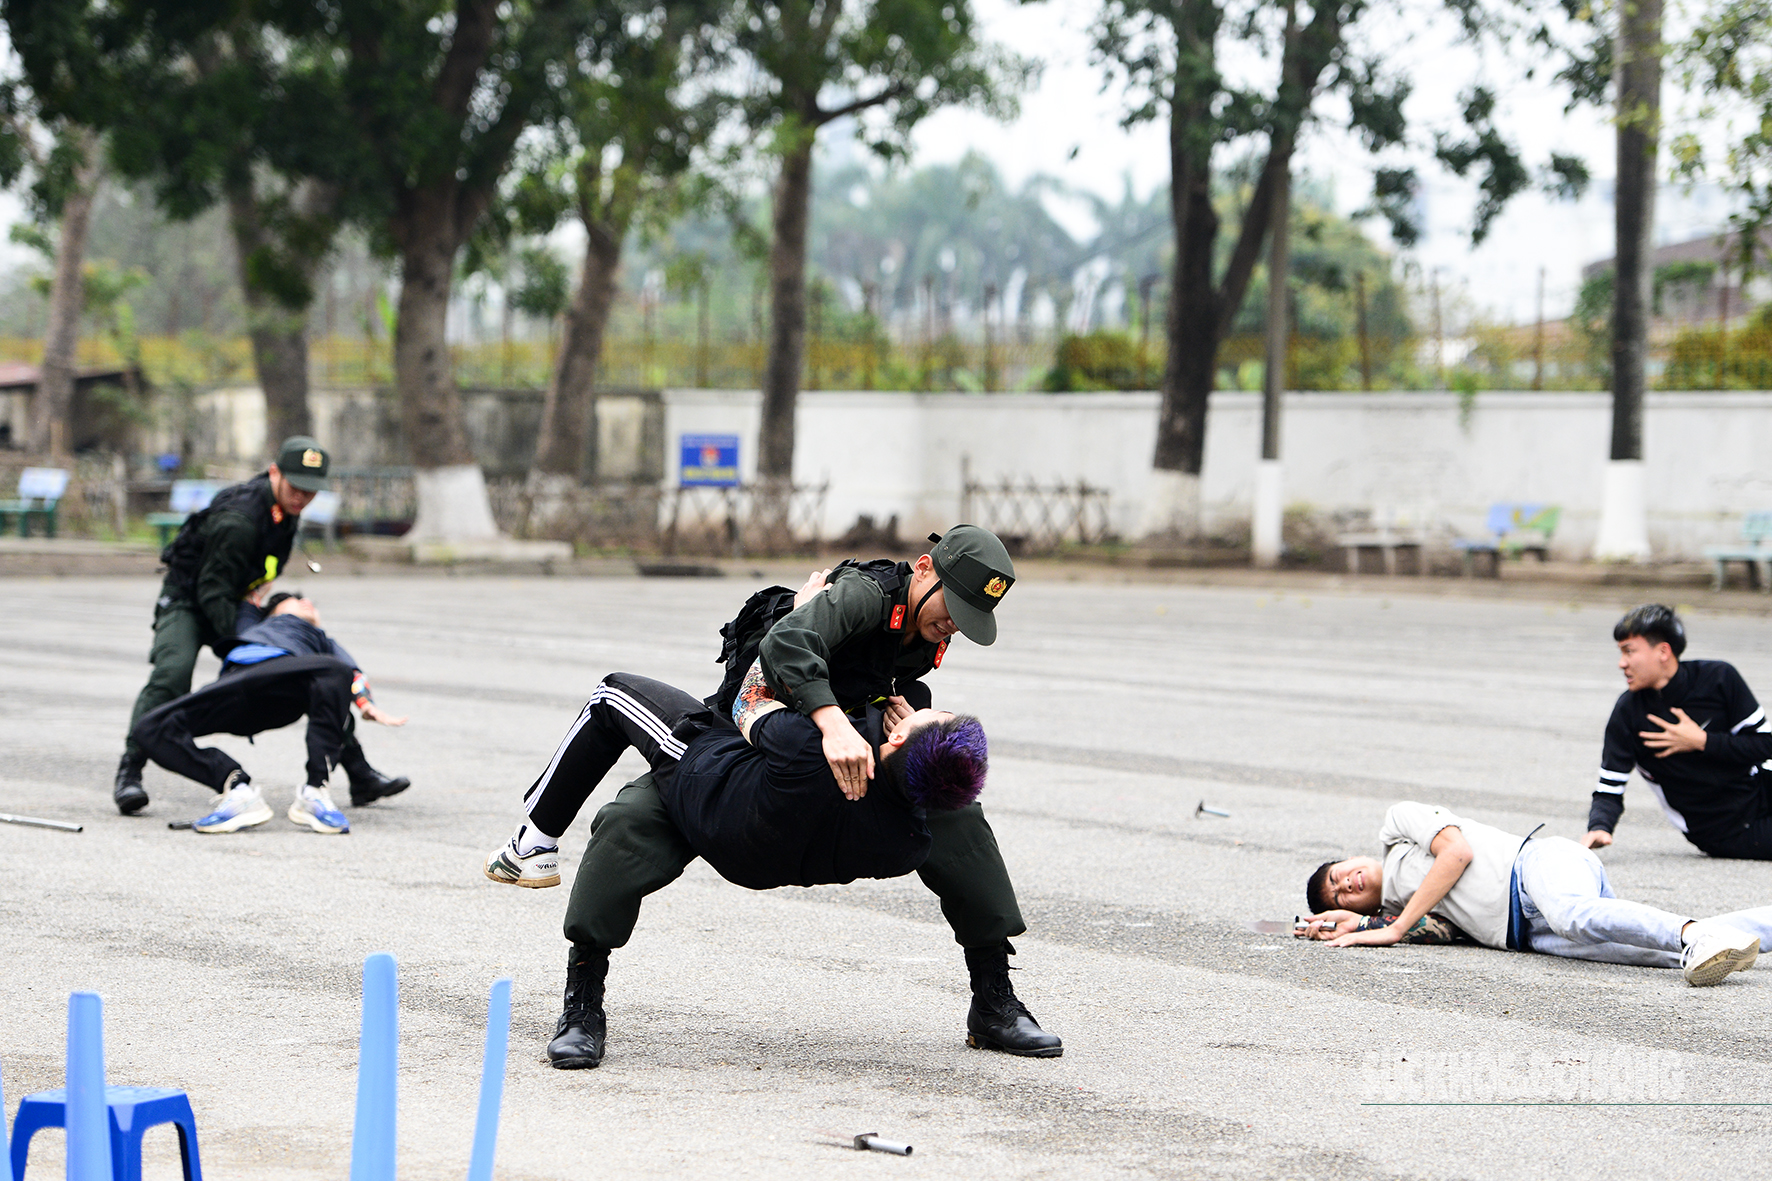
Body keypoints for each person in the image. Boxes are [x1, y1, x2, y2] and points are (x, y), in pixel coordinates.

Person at [508, 666, 1061, 1068]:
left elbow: (750, 697)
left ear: (895, 738)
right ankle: (584, 1003)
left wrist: (810, 622)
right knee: (632, 819)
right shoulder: (909, 837)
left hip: (727, 794)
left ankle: (992, 1000)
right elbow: (915, 761)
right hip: (786, 808)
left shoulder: (806, 747)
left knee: (618, 725)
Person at [112, 436, 409, 815]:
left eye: (310, 491)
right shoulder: (241, 518)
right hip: (190, 599)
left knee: (303, 669)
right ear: (274, 473)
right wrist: (243, 645)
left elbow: (257, 568)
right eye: (295, 487)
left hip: (233, 599)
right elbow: (211, 588)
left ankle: (360, 773)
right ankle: (130, 770)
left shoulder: (285, 509)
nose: (302, 497)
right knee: (173, 673)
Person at [1302, 801, 1770, 986]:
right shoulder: (1401, 910)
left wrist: (1395, 926)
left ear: (1353, 857)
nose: (1346, 885)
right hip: (1531, 934)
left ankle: (1690, 932)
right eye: (1339, 897)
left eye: (1340, 874)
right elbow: (1442, 932)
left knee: (1574, 913)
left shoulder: (1398, 824)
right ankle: (1729, 933)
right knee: (1655, 954)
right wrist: (1363, 926)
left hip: (1536, 870)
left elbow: (1456, 852)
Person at [130, 593, 408, 834]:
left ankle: (315, 792)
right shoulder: (253, 624)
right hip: (236, 688)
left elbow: (353, 672)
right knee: (149, 727)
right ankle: (237, 789)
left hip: (287, 690)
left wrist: (365, 703)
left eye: (310, 602)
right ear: (272, 611)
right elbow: (250, 597)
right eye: (297, 600)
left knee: (336, 669)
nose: (307, 603)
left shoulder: (322, 641)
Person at [1580, 604, 1772, 859]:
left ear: (1663, 651)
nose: (1621, 663)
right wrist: (1599, 827)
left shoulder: (1719, 678)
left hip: (1762, 792)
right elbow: (1610, 786)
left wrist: (1703, 741)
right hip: (1724, 828)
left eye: (1629, 651)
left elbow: (1765, 744)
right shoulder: (1628, 712)